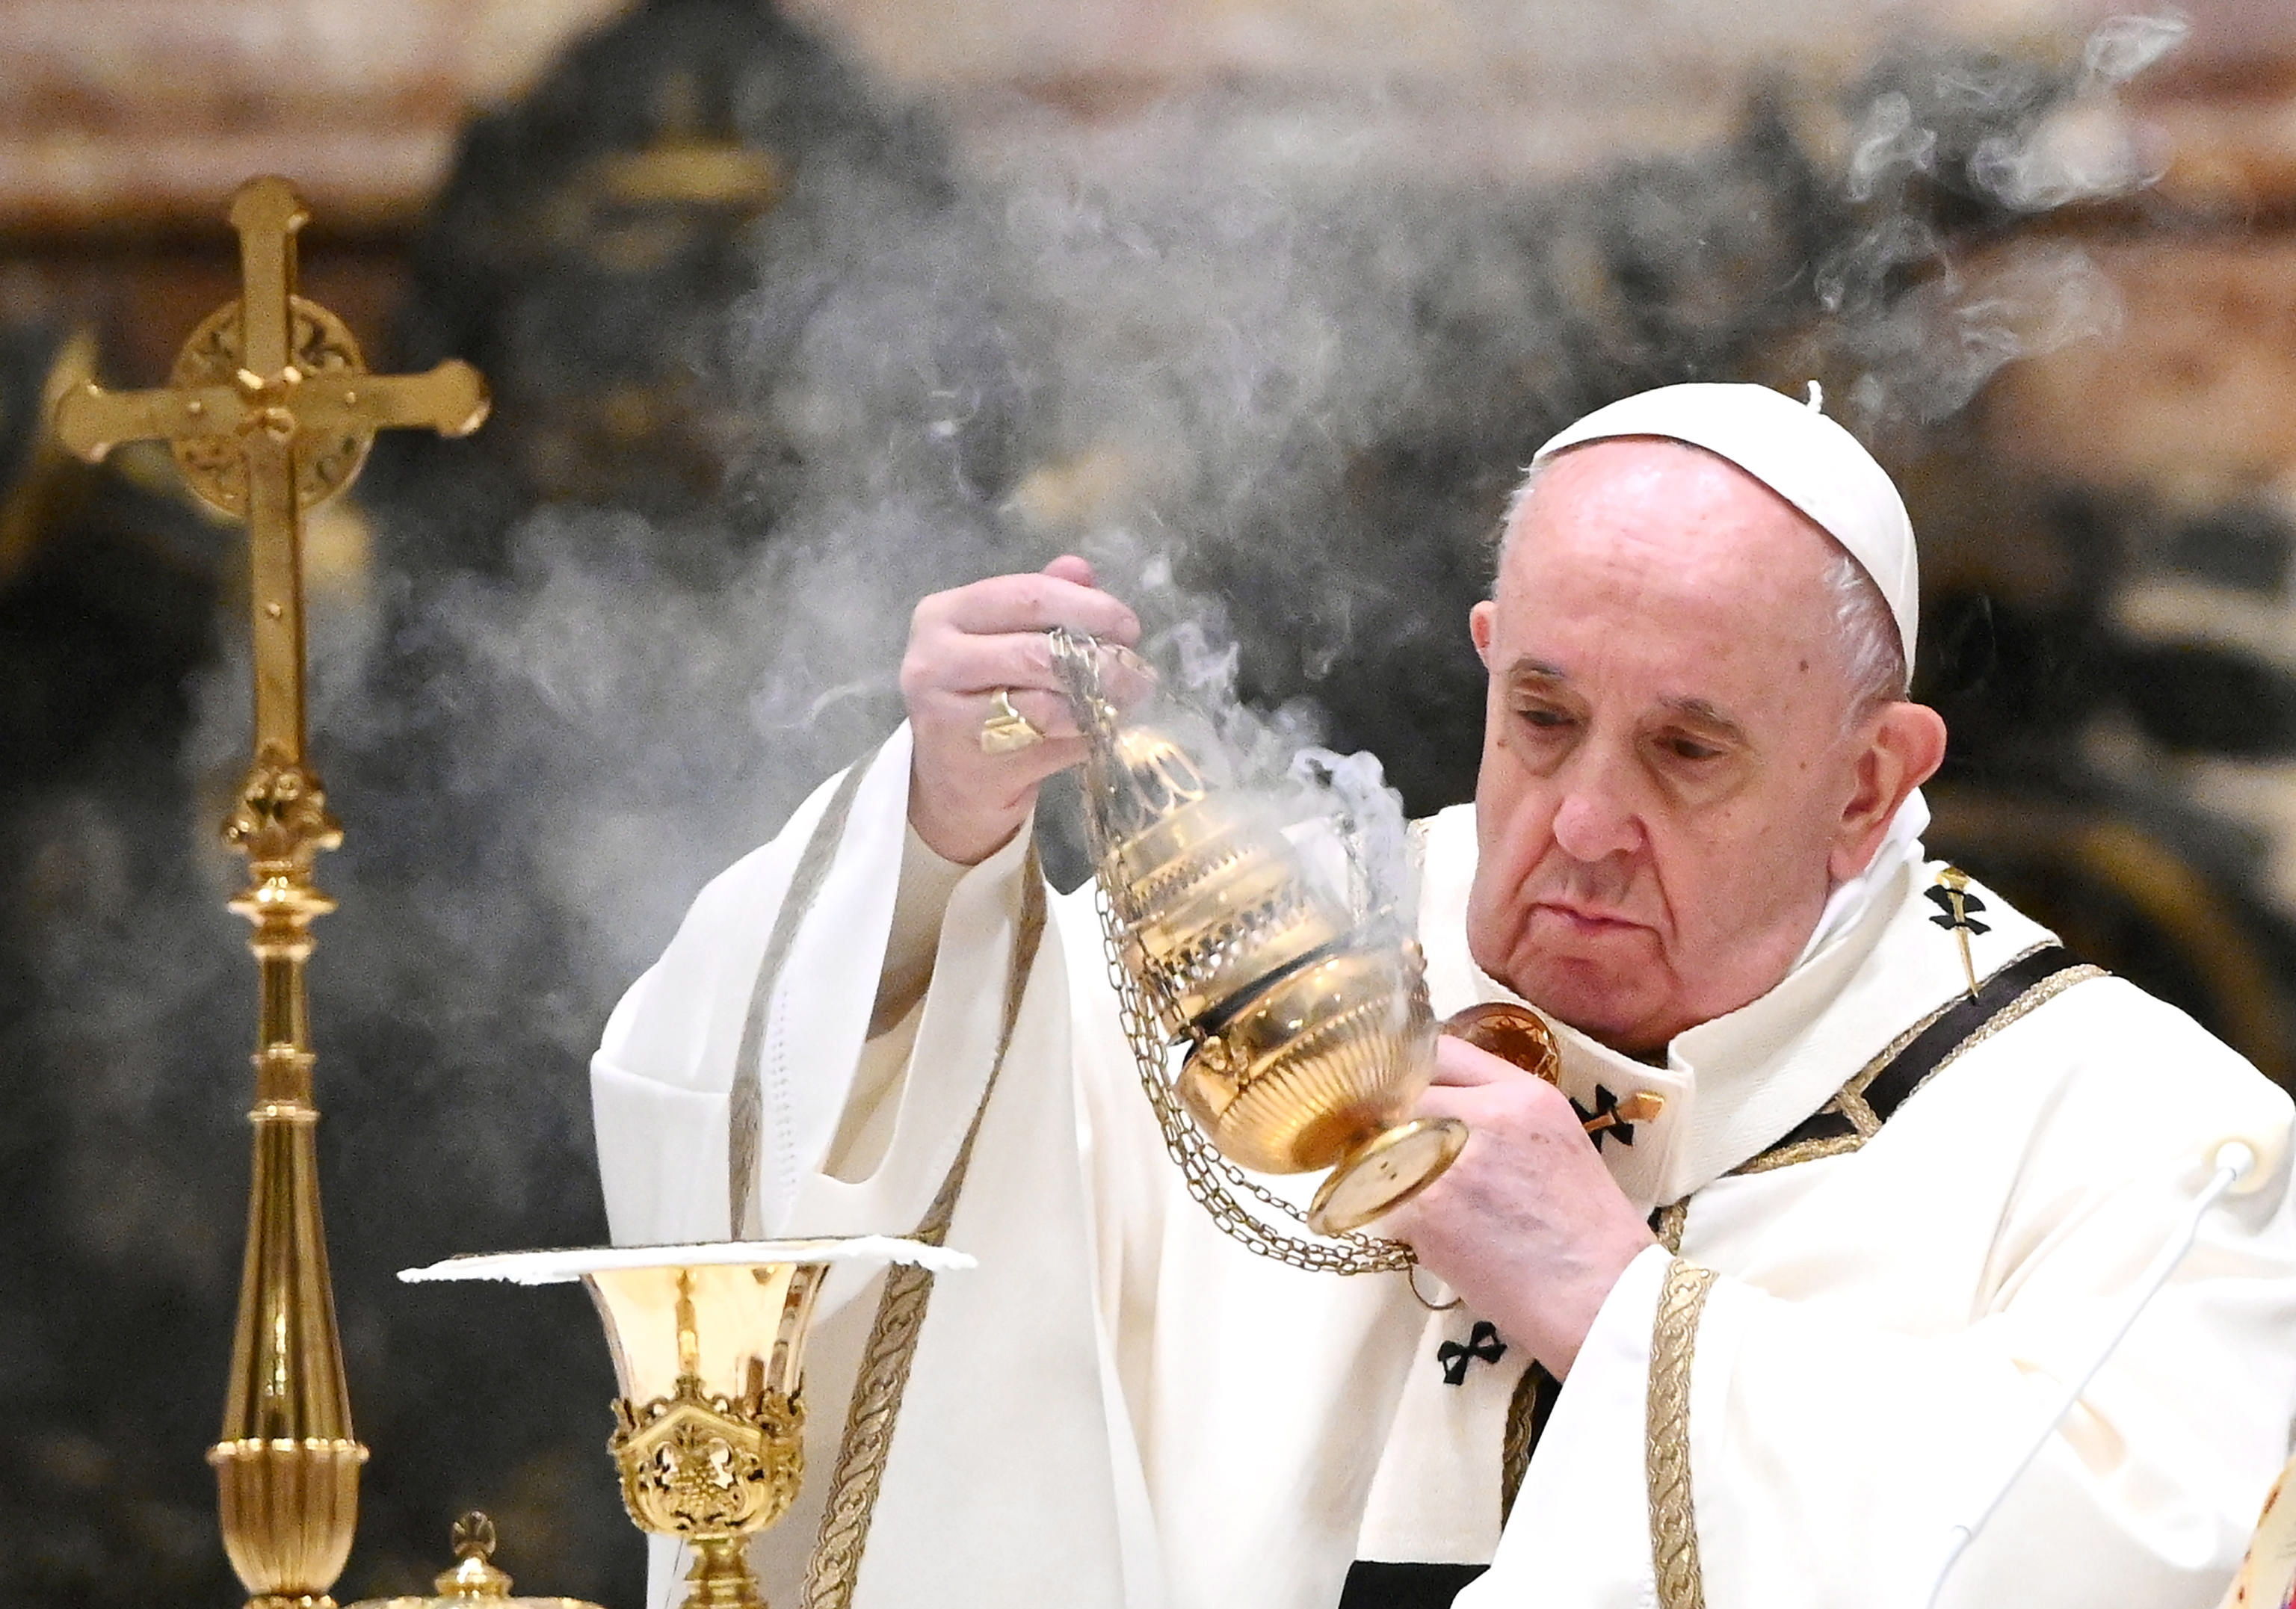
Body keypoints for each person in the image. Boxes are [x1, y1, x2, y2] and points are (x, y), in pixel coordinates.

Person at [592, 383, 2296, 1609]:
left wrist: (1617, 1306)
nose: (1581, 824)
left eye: (1688, 752)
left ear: (1870, 785)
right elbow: (825, 1183)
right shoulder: (1271, 961)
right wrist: (937, 844)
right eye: (1543, 718)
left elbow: (2129, 1561)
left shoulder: (2137, 1139)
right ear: (1486, 653)